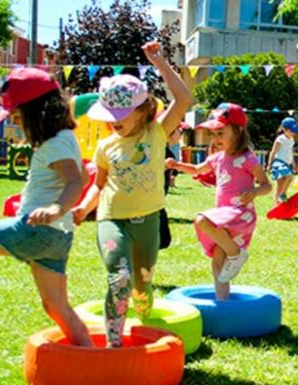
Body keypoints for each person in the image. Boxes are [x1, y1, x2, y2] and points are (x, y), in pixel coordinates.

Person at [72, 41, 192, 348]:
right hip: (112, 220)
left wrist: (160, 63)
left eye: (120, 112)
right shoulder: (105, 147)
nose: (113, 120)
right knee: (119, 276)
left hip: (148, 221)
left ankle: (144, 306)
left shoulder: (157, 133)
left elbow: (183, 98)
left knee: (142, 282)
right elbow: (98, 184)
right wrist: (84, 208)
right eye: (109, 112)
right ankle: (114, 343)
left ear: (142, 111)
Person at [0, 68, 92, 347]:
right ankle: (92, 360)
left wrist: (56, 208)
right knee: (56, 306)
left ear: (36, 112)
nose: (17, 122)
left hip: (38, 229)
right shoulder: (65, 139)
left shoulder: (53, 143)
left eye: (18, 116)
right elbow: (83, 176)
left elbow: (74, 181)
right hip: (58, 238)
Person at [165, 103, 272, 300]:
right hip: (224, 216)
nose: (215, 139)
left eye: (220, 133)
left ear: (238, 132)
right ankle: (222, 300)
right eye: (213, 134)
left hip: (240, 214)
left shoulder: (248, 158)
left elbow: (267, 185)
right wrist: (176, 165)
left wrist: (256, 190)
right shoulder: (218, 158)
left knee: (201, 220)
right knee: (217, 259)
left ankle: (236, 253)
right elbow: (198, 169)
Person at [267, 117, 298, 203]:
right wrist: (269, 164)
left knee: (280, 184)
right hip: (279, 163)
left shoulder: (292, 140)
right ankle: (282, 194)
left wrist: (293, 164)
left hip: (287, 163)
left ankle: (278, 203)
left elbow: (290, 152)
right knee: (289, 176)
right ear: (285, 129)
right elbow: (273, 152)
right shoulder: (280, 139)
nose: (294, 133)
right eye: (292, 131)